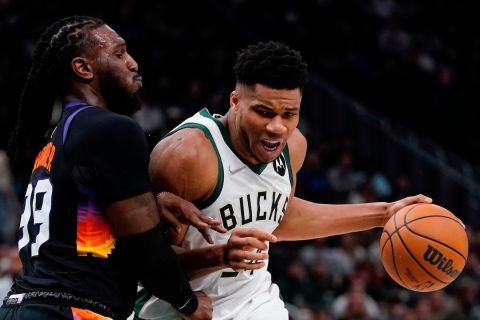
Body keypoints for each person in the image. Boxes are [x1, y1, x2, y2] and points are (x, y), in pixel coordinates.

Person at [134, 41, 432, 320]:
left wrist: (383, 214)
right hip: (181, 308)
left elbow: (280, 217)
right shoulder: (187, 156)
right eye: (264, 112)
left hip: (256, 302)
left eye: (289, 114)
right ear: (235, 101)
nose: (277, 127)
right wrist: (220, 255)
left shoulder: (294, 146)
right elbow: (147, 259)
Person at [0, 16, 220, 320]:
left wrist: (156, 202)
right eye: (119, 53)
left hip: (24, 304)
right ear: (83, 68)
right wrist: (188, 303)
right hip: (72, 309)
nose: (132, 63)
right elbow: (143, 244)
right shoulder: (110, 129)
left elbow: (89, 223)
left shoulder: (56, 140)